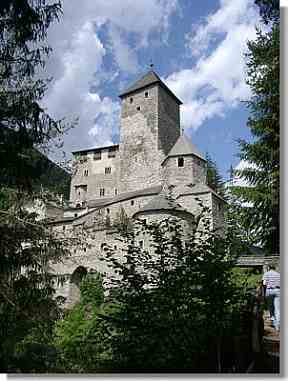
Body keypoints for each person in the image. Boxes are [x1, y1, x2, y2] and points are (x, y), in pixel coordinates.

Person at [262, 264, 280, 331]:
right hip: (278, 290)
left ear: (269, 267)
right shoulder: (278, 274)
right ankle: (277, 325)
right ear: (275, 268)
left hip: (269, 291)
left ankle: (274, 321)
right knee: (277, 309)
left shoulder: (266, 274)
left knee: (271, 308)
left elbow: (264, 284)